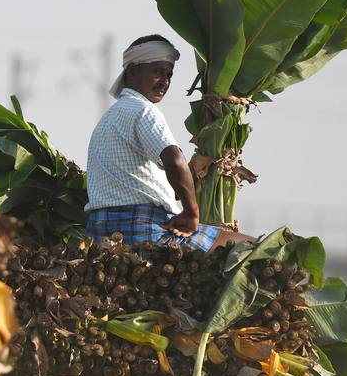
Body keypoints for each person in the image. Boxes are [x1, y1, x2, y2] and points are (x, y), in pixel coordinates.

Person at [84, 34, 253, 251]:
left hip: (99, 232)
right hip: (144, 229)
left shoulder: (108, 119)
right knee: (251, 246)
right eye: (157, 72)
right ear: (133, 71)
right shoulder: (143, 110)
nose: (165, 81)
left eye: (169, 74)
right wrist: (191, 213)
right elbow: (175, 160)